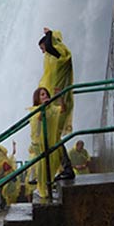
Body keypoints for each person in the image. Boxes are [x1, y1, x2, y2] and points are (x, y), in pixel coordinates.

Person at [38, 27, 75, 181]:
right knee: (53, 138)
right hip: (57, 101)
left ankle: (66, 168)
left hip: (61, 102)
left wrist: (48, 34)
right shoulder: (58, 57)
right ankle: (63, 168)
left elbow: (52, 48)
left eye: (42, 48)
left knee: (55, 137)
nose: (43, 52)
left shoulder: (62, 55)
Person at [29, 88, 64, 200]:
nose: (45, 96)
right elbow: (38, 120)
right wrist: (43, 107)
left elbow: (62, 109)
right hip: (39, 144)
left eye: (46, 94)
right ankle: (41, 189)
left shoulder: (51, 109)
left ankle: (48, 186)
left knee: (53, 164)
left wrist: (60, 98)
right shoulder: (35, 110)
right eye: (42, 95)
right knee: (42, 167)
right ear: (37, 98)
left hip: (50, 143)